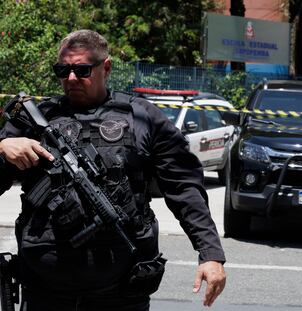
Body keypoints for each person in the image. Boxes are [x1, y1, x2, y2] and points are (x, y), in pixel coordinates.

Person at [0, 29, 226, 310]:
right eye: (63, 70)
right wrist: (3, 146)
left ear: (105, 67)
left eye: (82, 70)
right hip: (45, 290)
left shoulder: (141, 118)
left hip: (119, 292)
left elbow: (184, 187)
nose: (70, 78)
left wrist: (210, 254)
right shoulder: (33, 120)